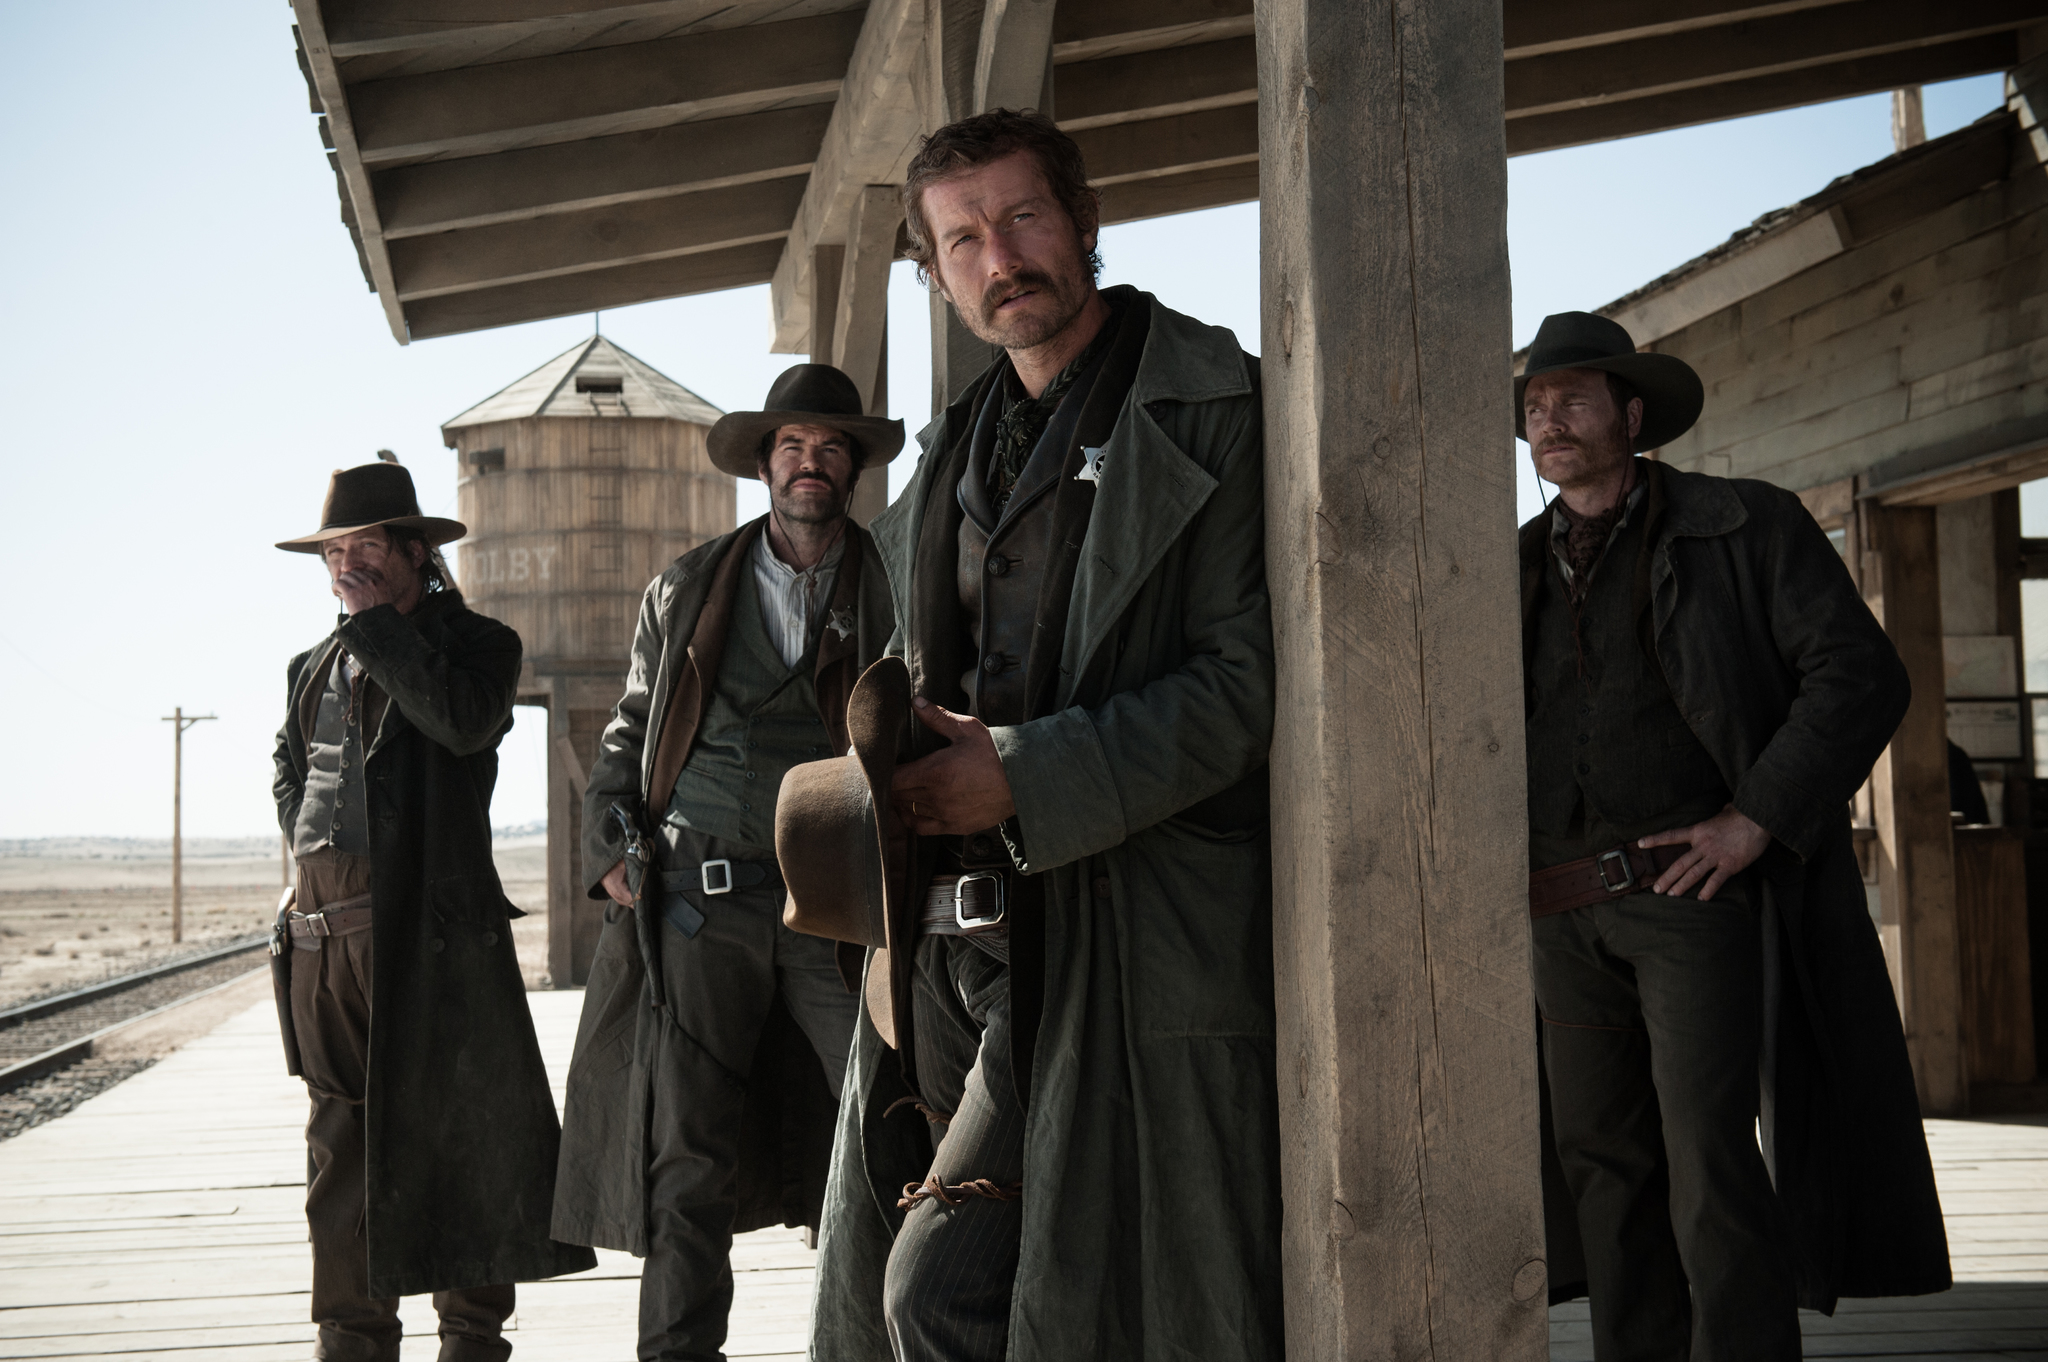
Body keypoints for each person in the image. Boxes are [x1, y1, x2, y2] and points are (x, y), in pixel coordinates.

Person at [794, 109, 1282, 1362]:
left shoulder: (1217, 409)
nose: (997, 258)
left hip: (1122, 932)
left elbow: (1241, 685)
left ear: (1080, 219)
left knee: (940, 1294)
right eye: (959, 240)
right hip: (952, 949)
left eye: (1019, 218)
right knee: (1010, 1293)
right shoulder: (951, 452)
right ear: (935, 269)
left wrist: (1019, 773)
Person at [1517, 312, 1951, 1359]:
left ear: (1631, 412)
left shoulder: (1741, 525)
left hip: (1689, 898)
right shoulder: (1508, 565)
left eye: (1572, 397)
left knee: (1706, 1157)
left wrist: (1752, 818)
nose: (1548, 419)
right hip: (1557, 911)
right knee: (1599, 1166)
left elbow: (1859, 674)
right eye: (1533, 405)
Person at [551, 364, 902, 1361]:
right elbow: (628, 729)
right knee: (683, 1155)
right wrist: (613, 838)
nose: (810, 462)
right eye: (792, 444)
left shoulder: (890, 581)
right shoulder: (688, 584)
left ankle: (868, 1345)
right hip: (697, 901)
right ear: (763, 462)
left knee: (873, 1128)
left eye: (830, 446)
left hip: (838, 901)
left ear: (850, 467)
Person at [271, 460, 594, 1362]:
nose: (347, 565)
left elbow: (459, 722)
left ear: (416, 552)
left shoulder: (478, 647)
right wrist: (307, 859)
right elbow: (288, 767)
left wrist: (378, 625)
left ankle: (472, 1341)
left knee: (463, 1138)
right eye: (335, 551)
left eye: (366, 547)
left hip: (434, 938)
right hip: (324, 943)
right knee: (340, 1152)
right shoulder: (310, 666)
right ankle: (353, 1341)